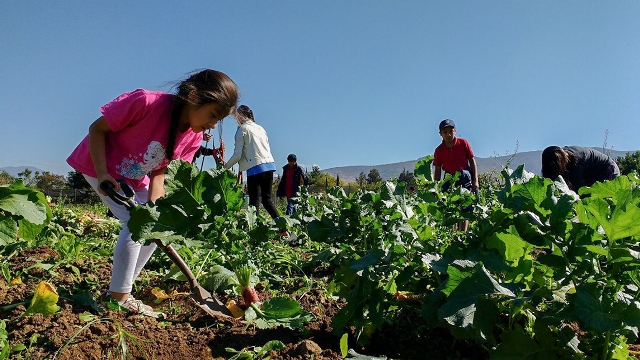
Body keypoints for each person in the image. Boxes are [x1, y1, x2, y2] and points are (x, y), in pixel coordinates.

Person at [67, 69, 239, 317]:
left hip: (135, 177)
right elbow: (97, 129)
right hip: (100, 167)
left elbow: (161, 173)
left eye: (218, 120)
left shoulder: (193, 137)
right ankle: (119, 297)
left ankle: (117, 291)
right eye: (213, 115)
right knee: (135, 223)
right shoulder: (146, 103)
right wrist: (103, 173)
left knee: (155, 225)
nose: (213, 124)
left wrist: (156, 207)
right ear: (194, 96)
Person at [224, 105, 280, 220]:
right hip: (269, 165)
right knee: (267, 200)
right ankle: (284, 229)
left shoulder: (242, 129)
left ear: (240, 116)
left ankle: (254, 231)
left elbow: (237, 155)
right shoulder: (260, 128)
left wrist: (225, 167)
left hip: (254, 168)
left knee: (254, 204)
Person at [433, 119, 479, 232]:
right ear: (440, 134)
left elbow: (472, 161)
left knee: (465, 207)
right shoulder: (439, 150)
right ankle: (454, 234)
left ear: (455, 131)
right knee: (451, 208)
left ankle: (462, 234)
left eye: (451, 131)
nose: (448, 134)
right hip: (449, 179)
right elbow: (437, 170)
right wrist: (435, 187)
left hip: (464, 176)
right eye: (445, 132)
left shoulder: (463, 143)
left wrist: (475, 180)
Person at [541, 146, 620, 193]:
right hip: (591, 176)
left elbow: (577, 189)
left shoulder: (578, 159)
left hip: (608, 171)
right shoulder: (550, 162)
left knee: (588, 198)